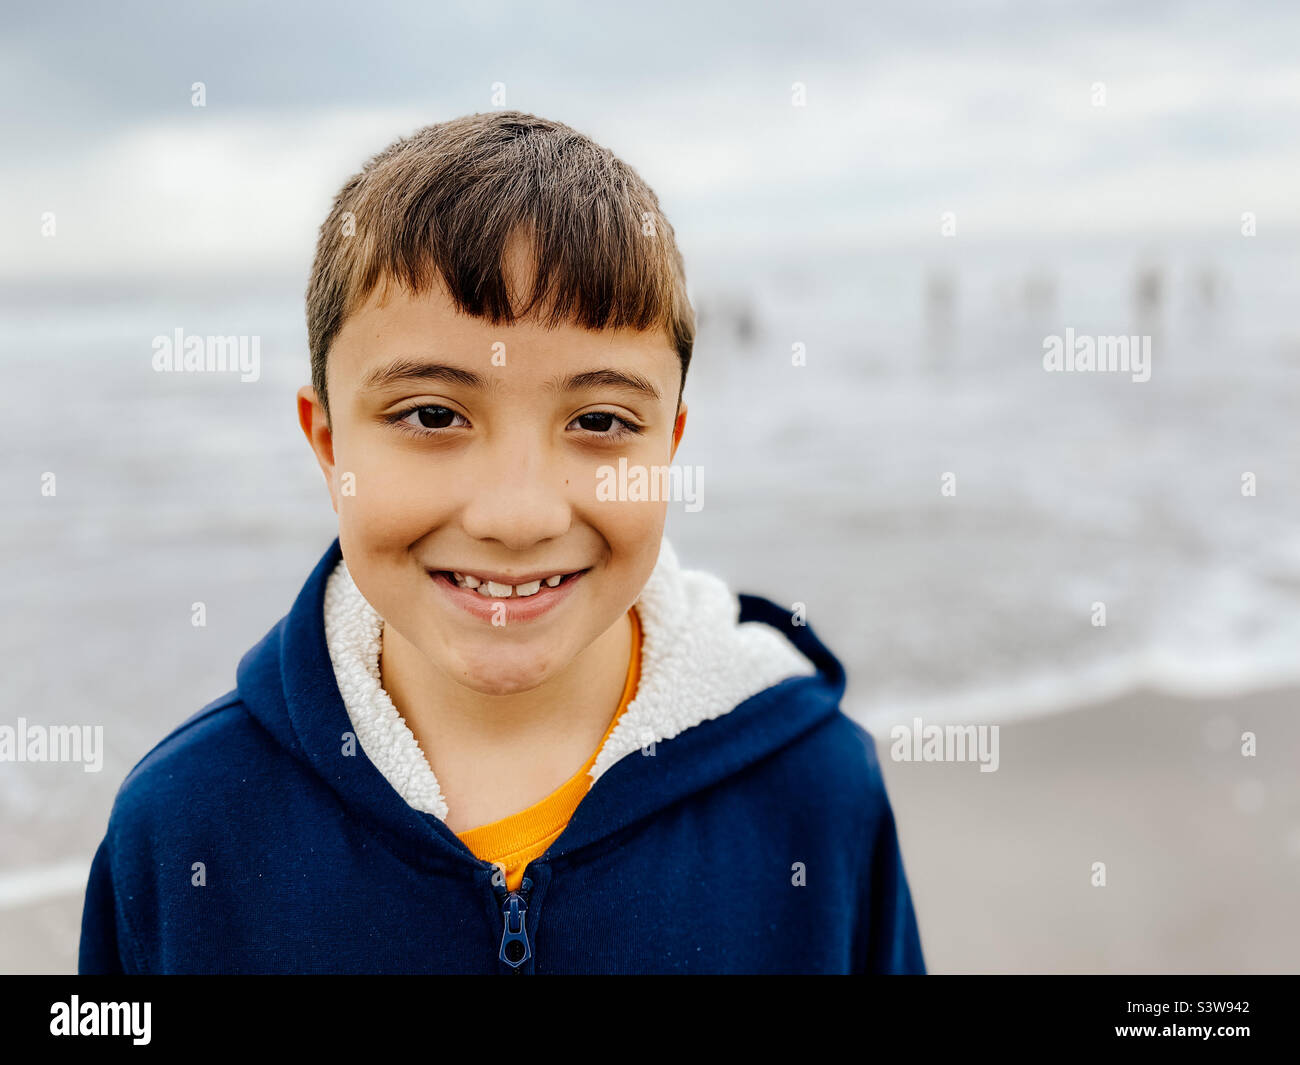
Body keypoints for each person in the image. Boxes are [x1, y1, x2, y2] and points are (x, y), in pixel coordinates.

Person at [78, 111, 925, 974]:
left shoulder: (815, 792)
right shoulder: (185, 826)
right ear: (330, 444)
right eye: (432, 415)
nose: (518, 516)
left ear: (669, 445)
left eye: (599, 420)